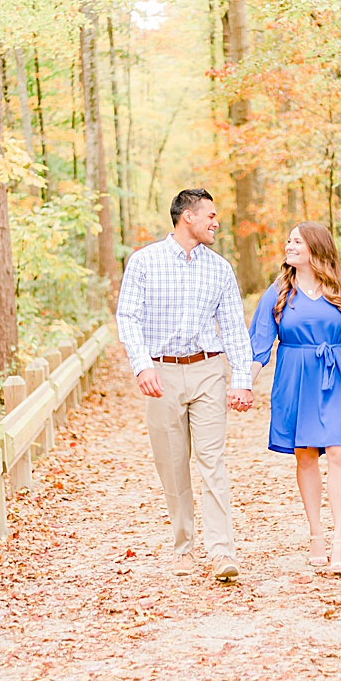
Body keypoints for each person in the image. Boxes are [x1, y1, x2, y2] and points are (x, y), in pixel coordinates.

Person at [114, 188, 255, 582]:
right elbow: (128, 318)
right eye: (209, 215)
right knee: (173, 467)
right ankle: (184, 546)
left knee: (213, 462)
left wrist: (241, 380)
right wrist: (142, 367)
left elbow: (232, 329)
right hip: (162, 373)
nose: (216, 222)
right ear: (186, 217)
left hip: (208, 370)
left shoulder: (220, 269)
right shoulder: (144, 262)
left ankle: (222, 551)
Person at [248, 222, 341, 574]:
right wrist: (243, 384)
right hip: (294, 378)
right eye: (287, 240)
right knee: (305, 455)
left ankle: (340, 538)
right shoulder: (278, 292)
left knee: (339, 452)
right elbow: (259, 343)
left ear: (315, 248)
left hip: (336, 375)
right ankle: (316, 534)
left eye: (296, 241)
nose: (288, 245)